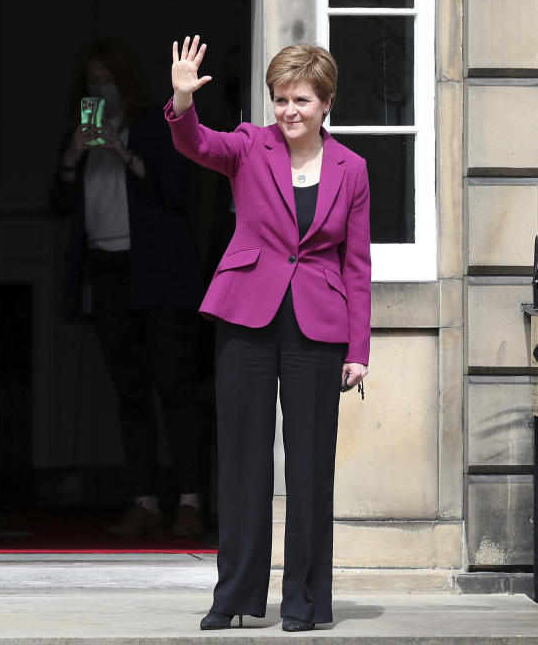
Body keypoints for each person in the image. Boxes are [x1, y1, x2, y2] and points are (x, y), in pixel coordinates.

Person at [164, 36, 371, 632]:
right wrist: (182, 99)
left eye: (301, 99)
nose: (289, 111)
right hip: (246, 317)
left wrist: (358, 349)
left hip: (318, 324)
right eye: (280, 99)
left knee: (309, 468)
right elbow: (195, 143)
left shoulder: (351, 169)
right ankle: (233, 596)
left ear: (326, 102)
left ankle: (303, 601)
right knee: (243, 462)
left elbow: (356, 264)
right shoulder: (251, 146)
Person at [49, 39, 207, 539]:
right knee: (130, 393)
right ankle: (144, 501)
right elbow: (56, 204)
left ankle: (189, 500)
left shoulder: (155, 125)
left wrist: (124, 154)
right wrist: (73, 155)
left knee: (175, 389)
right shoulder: (80, 134)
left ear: (124, 82)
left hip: (159, 274)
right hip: (108, 273)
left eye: (106, 80)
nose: (98, 89)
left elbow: (175, 191)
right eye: (91, 82)